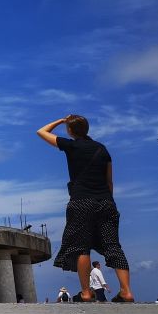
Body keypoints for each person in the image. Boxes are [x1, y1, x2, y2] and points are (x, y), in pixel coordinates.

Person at [37, 115, 134, 302]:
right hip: (106, 202)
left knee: (81, 247)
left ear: (70, 131)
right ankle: (126, 291)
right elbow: (109, 181)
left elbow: (41, 131)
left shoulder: (71, 146)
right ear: (87, 129)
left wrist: (60, 120)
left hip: (81, 202)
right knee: (113, 246)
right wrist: (109, 202)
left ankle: (86, 293)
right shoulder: (102, 149)